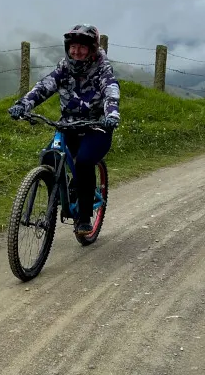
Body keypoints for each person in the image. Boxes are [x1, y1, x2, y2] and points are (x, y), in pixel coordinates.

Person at [8, 23, 121, 235]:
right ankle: (57, 199)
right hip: (68, 124)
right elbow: (44, 86)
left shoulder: (102, 68)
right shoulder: (64, 68)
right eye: (73, 47)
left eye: (82, 47)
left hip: (96, 126)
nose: (76, 51)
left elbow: (111, 90)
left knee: (85, 162)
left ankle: (84, 216)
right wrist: (22, 105)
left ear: (92, 49)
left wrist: (112, 114)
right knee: (49, 157)